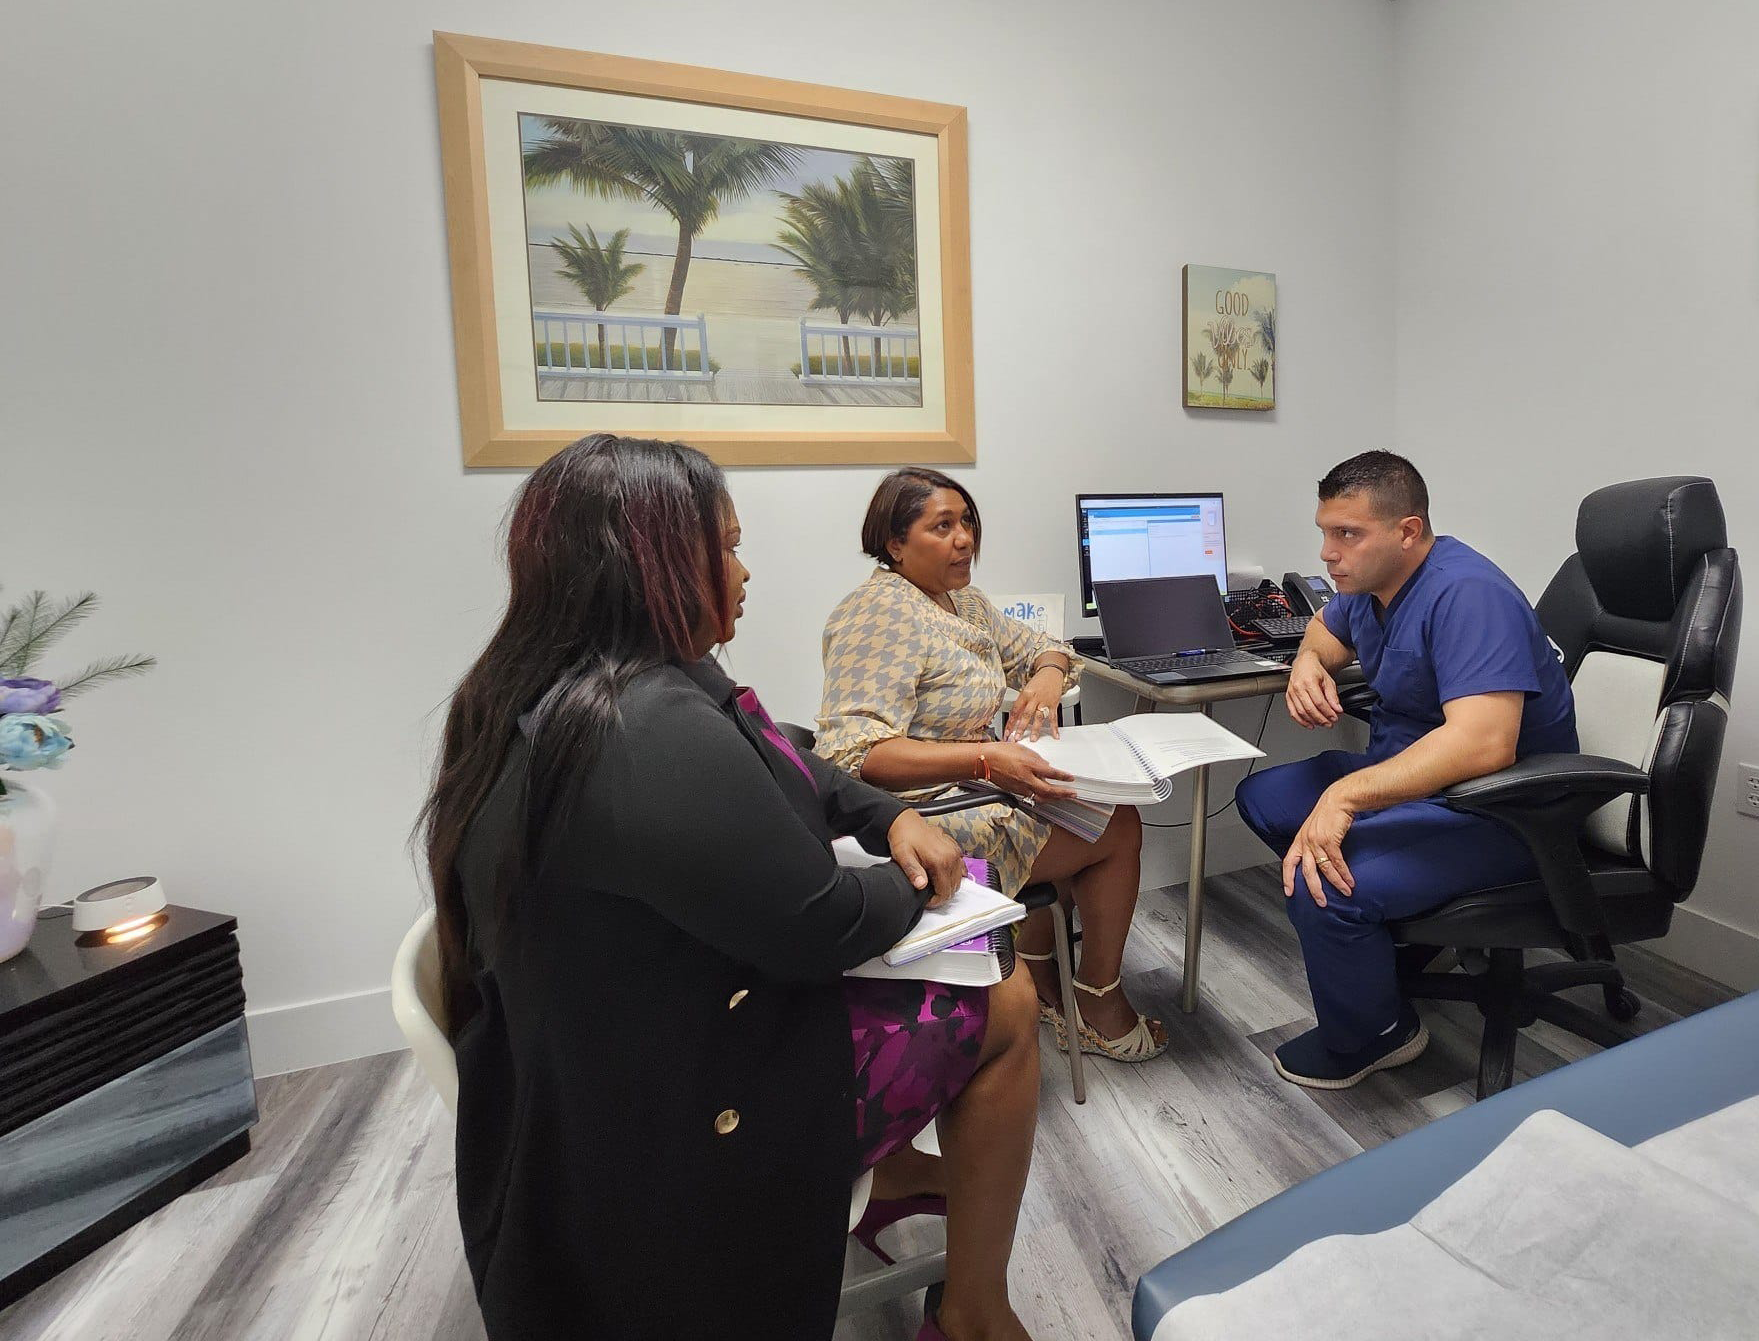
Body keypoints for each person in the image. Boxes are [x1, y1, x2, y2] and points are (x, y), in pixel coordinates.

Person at [420, 435, 1041, 1341]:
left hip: (598, 1041)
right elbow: (821, 924)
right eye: (728, 546)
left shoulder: (571, 684)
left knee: (978, 977)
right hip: (678, 1093)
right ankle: (975, 1311)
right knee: (1009, 996)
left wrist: (882, 813)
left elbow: (785, 748)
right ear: (655, 563)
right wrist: (924, 872)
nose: (745, 572)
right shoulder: (644, 735)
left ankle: (899, 1178)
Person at [1237, 451, 1577, 1089]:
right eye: (1324, 533)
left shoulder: (1468, 594)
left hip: (1499, 810)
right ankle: (1383, 924)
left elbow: (1484, 745)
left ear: (1408, 531)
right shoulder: (1371, 588)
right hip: (1414, 780)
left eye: (1348, 535)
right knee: (1264, 796)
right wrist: (1307, 664)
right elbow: (1322, 632)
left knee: (1325, 885)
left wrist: (1345, 800)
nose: (1328, 554)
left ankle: (1378, 1034)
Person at [816, 468, 1165, 1063]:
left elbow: (1045, 647)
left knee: (1098, 812)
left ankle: (1044, 974)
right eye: (942, 526)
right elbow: (854, 757)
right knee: (1118, 826)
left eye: (968, 523)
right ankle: (1098, 1005)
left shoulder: (965, 604)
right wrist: (983, 758)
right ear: (894, 543)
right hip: (923, 819)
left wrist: (1047, 680)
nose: (965, 540)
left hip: (980, 788)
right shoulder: (877, 615)